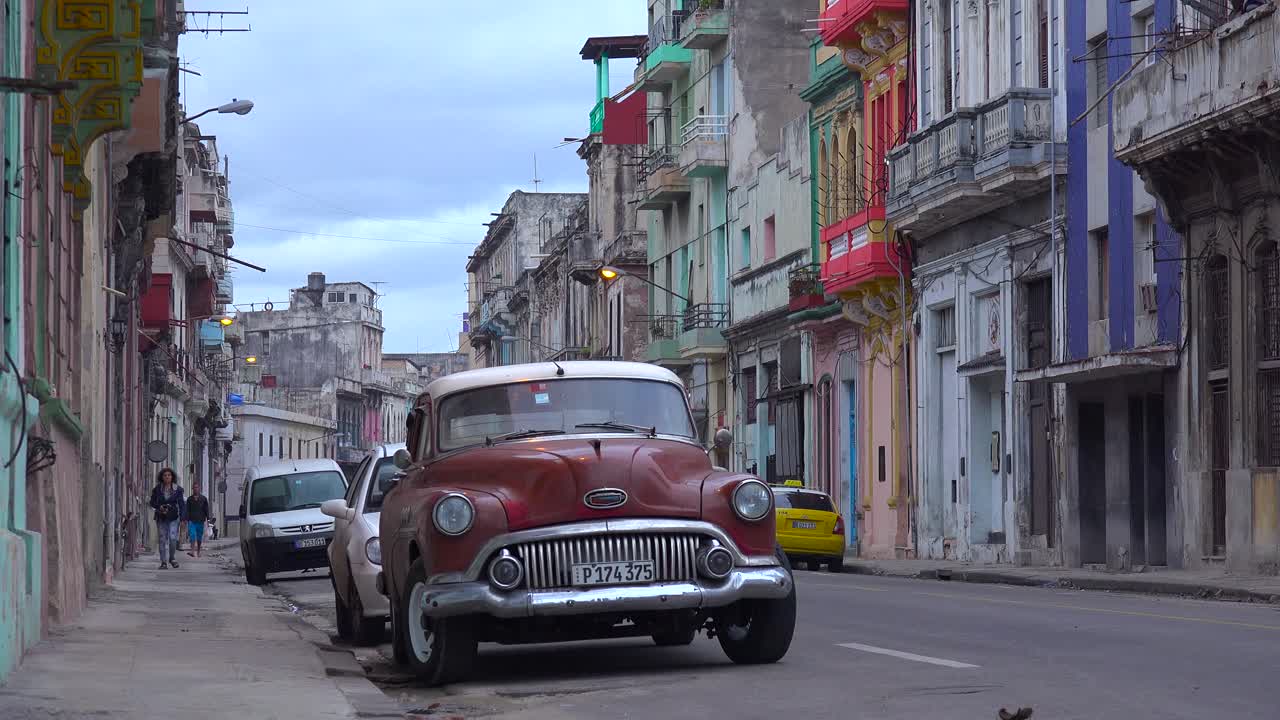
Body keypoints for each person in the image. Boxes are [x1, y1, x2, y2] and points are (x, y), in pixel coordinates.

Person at [149, 467, 186, 569]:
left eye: (169, 475)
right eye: (165, 475)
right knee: (162, 539)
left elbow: (182, 505)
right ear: (162, 477)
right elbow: (152, 502)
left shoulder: (178, 490)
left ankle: (172, 558)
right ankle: (163, 562)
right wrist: (159, 507)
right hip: (161, 517)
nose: (167, 477)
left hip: (173, 517)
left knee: (173, 538)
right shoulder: (157, 489)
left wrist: (183, 518)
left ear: (172, 477)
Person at [186, 482, 211, 558]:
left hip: (200, 520)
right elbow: (187, 510)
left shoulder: (203, 499)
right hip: (191, 520)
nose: (196, 489)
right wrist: (186, 519)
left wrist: (208, 519)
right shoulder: (189, 499)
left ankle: (198, 551)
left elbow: (206, 509)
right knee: (192, 535)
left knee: (199, 538)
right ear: (192, 489)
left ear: (199, 489)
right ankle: (192, 551)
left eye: (197, 487)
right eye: (194, 488)